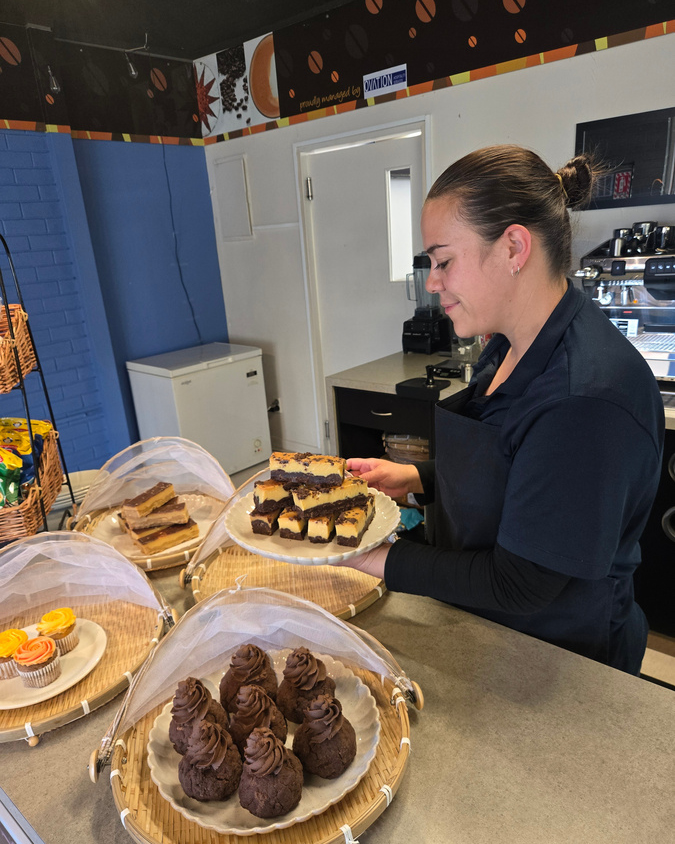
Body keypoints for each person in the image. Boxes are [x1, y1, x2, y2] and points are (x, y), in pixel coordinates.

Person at [340, 144, 664, 675]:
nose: (433, 282)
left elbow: (521, 582)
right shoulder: (508, 344)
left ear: (514, 247)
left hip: (559, 660)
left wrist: (372, 557)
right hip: (489, 632)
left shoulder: (585, 402)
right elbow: (517, 470)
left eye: (444, 261)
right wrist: (419, 476)